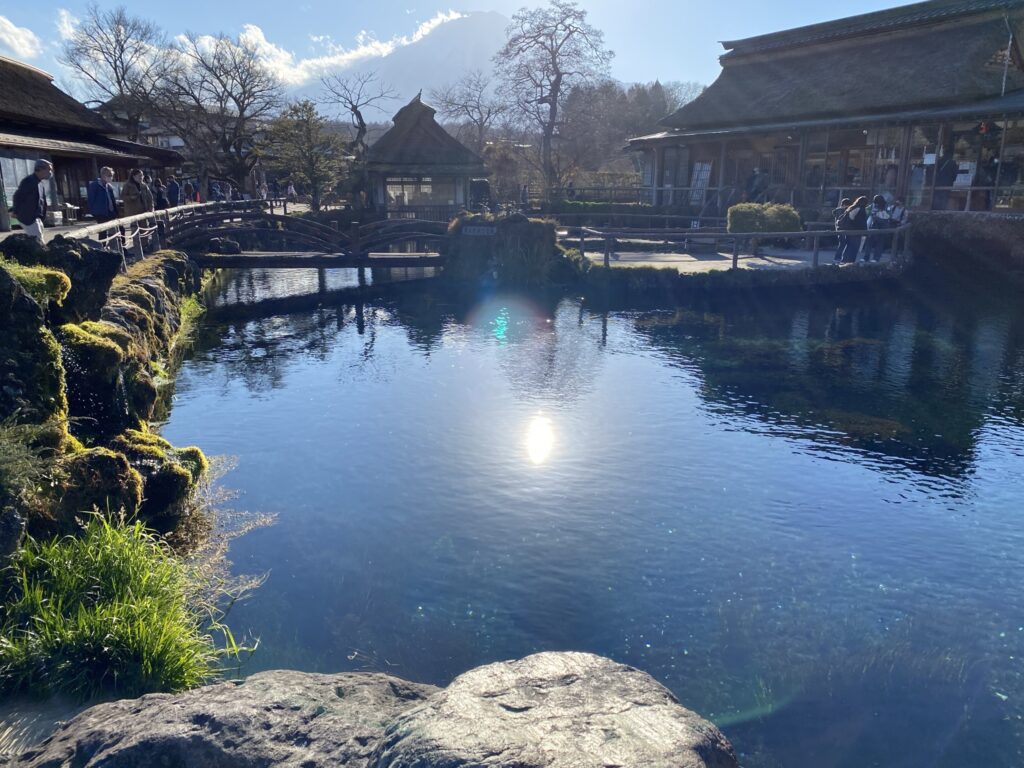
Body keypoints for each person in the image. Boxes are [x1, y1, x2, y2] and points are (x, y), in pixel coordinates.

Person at [12, 159, 53, 243]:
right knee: (37, 240)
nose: (50, 172)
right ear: (40, 169)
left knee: (39, 238)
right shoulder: (29, 181)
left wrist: (42, 216)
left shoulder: (40, 183)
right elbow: (18, 196)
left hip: (36, 217)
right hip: (28, 216)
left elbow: (41, 200)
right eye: (48, 169)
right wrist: (15, 211)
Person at [836, 196, 868, 263]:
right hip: (855, 230)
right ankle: (850, 262)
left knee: (848, 246)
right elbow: (860, 221)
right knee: (854, 247)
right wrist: (865, 231)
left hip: (848, 229)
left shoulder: (852, 207)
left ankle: (844, 260)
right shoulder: (860, 209)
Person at [866, 194, 891, 262]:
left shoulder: (886, 207)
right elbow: (867, 211)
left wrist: (878, 216)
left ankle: (876, 258)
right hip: (873, 225)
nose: (875, 203)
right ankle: (866, 257)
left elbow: (888, 216)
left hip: (882, 226)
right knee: (869, 242)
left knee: (880, 243)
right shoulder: (872, 205)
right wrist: (871, 213)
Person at [832, 197, 851, 263]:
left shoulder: (837, 211)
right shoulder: (844, 211)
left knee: (842, 243)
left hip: (838, 228)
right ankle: (838, 257)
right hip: (843, 229)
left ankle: (838, 257)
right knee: (843, 244)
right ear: (846, 204)